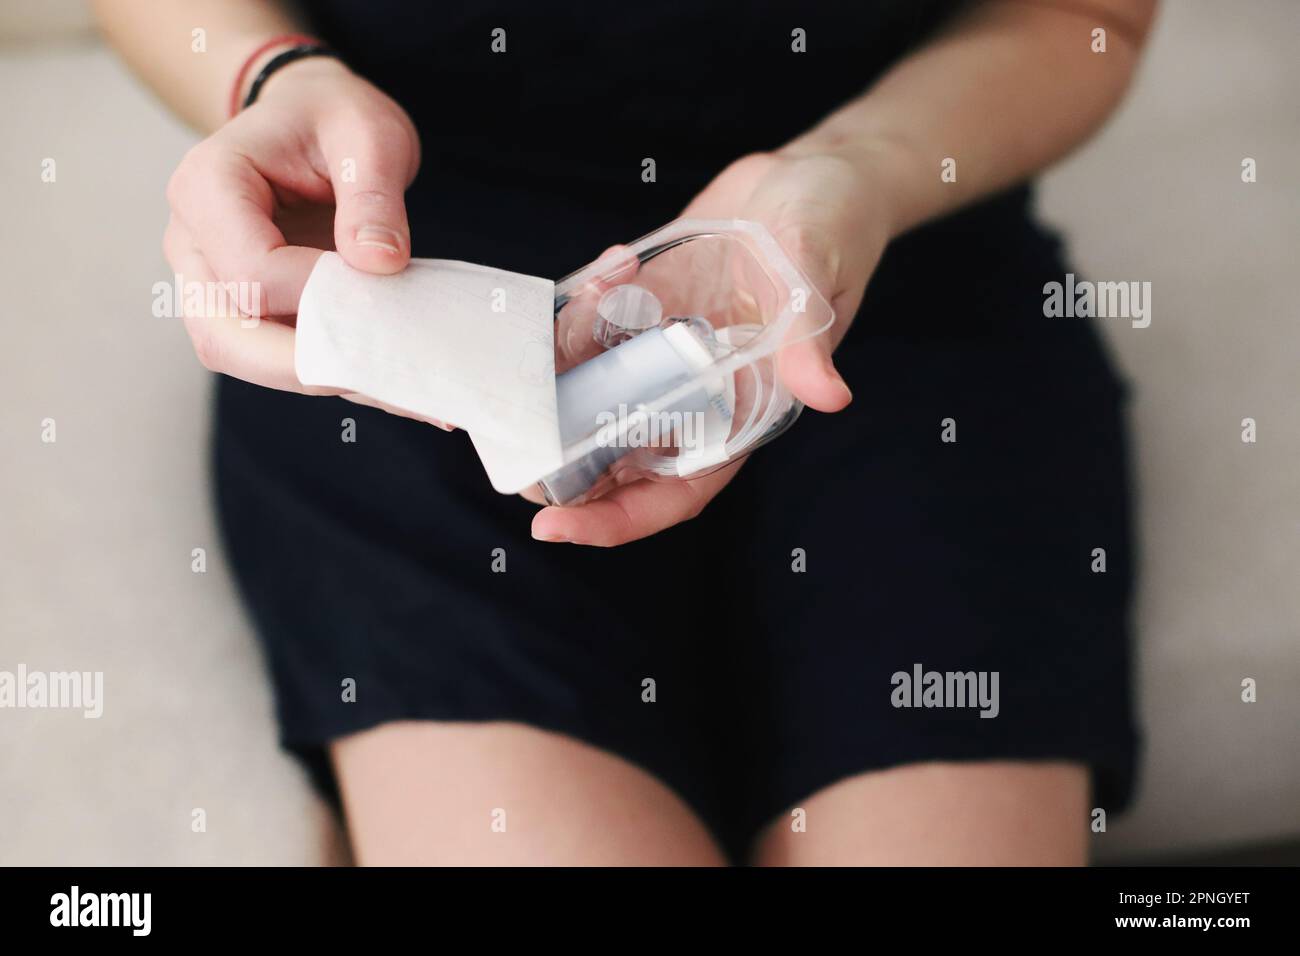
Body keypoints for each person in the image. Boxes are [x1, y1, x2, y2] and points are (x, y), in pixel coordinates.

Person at [93, 0, 1156, 865]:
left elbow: (1083, 14)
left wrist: (861, 167)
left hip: (878, 243)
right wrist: (273, 75)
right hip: (415, 294)